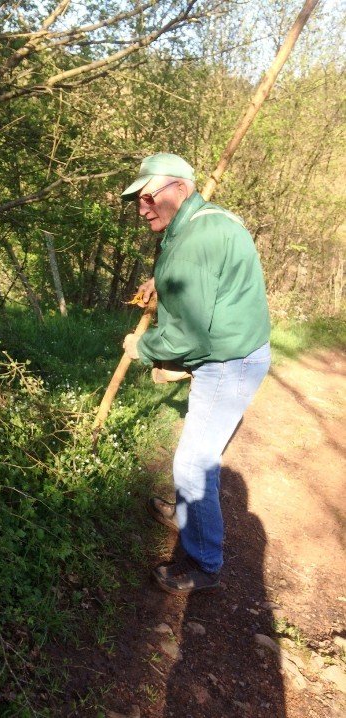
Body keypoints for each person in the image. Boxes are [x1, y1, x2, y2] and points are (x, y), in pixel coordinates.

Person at [121, 152, 271, 595]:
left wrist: (141, 347)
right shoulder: (203, 219)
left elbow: (189, 338)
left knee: (193, 462)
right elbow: (196, 278)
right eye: (138, 200)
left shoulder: (195, 239)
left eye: (149, 197)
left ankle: (205, 563)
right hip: (240, 348)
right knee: (197, 453)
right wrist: (160, 283)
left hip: (228, 361)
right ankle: (187, 517)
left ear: (179, 190)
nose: (142, 207)